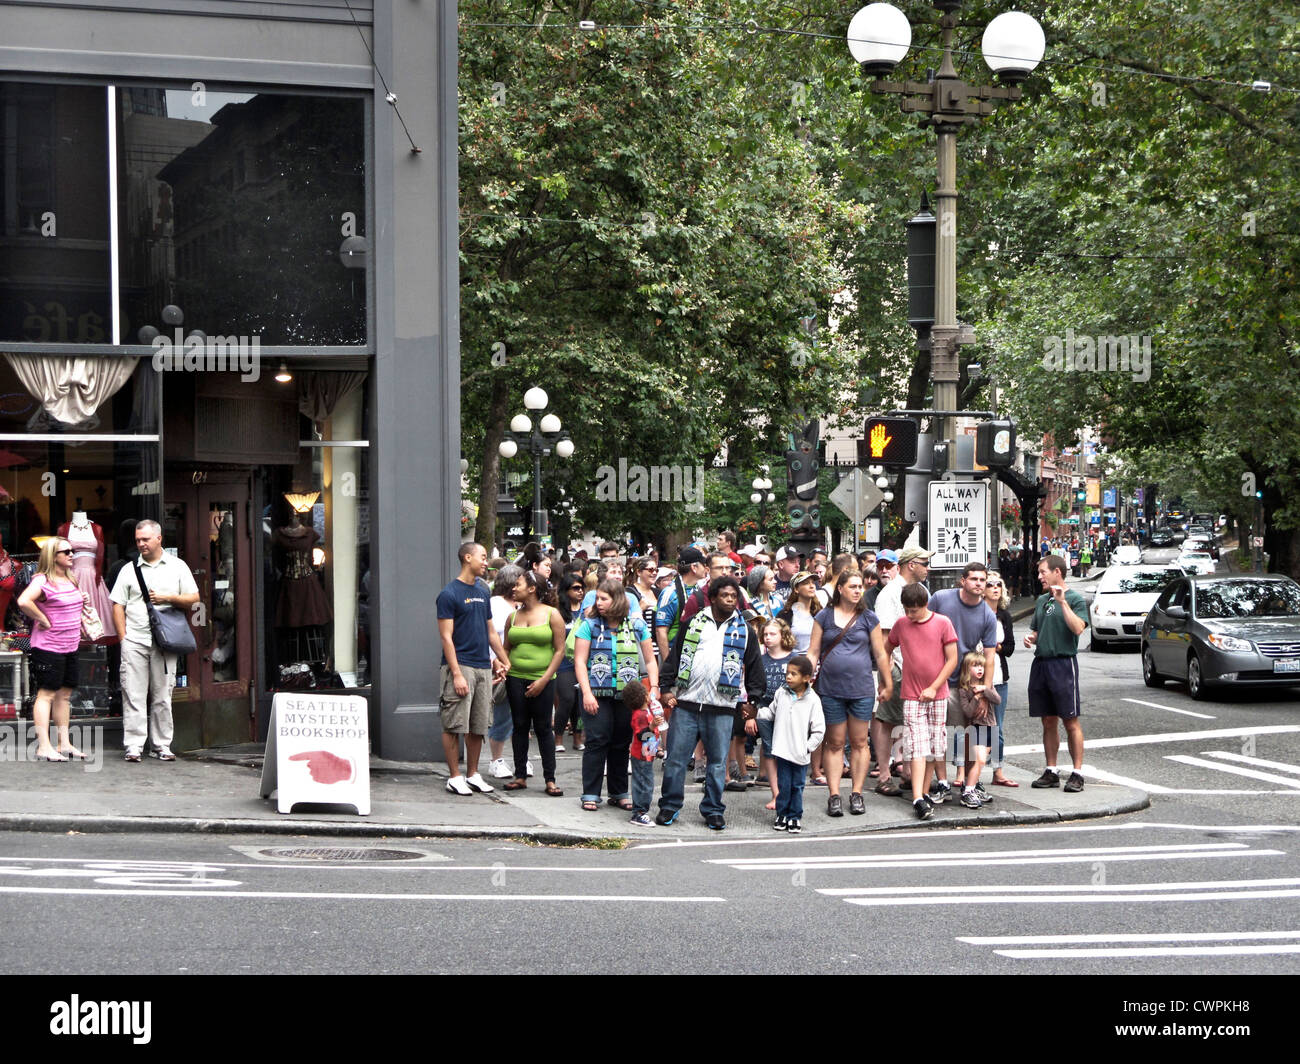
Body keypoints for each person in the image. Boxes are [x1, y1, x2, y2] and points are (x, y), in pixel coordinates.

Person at [655, 575, 764, 830]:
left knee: (717, 762)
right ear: (713, 598)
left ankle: (713, 809)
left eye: (734, 596)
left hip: (722, 707)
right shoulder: (693, 623)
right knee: (676, 761)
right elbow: (675, 655)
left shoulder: (745, 630)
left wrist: (754, 700)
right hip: (687, 704)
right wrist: (665, 687)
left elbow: (755, 666)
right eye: (725, 595)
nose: (730, 600)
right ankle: (669, 806)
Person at [109, 519, 200, 762]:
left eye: (145, 539)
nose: (141, 544)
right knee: (133, 694)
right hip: (135, 640)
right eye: (138, 540)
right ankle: (134, 745)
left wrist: (168, 597)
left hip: (165, 641)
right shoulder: (128, 569)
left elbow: (194, 598)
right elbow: (117, 605)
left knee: (162, 695)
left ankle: (161, 745)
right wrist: (123, 639)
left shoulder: (177, 566)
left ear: (159, 539)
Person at [807, 569, 893, 816]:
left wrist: (887, 683)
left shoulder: (868, 618)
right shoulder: (823, 616)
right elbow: (813, 652)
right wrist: (805, 678)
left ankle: (857, 793)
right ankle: (834, 794)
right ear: (840, 589)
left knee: (859, 742)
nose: (858, 590)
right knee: (833, 742)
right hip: (830, 688)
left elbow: (880, 654)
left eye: (860, 587)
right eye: (853, 586)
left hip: (862, 688)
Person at [574, 578, 658, 811]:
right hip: (596, 692)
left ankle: (618, 791)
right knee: (597, 740)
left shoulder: (636, 626)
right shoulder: (588, 625)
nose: (598, 603)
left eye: (603, 599)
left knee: (621, 742)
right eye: (597, 598)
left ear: (618, 600)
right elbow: (580, 662)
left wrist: (654, 687)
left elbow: (650, 660)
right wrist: (587, 693)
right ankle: (590, 792)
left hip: (627, 694)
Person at [436, 543, 512, 794]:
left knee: (479, 724)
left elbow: (490, 632)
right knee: (454, 723)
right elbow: (446, 638)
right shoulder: (449, 594)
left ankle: (473, 774)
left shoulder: (482, 590)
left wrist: (501, 659)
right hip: (460, 665)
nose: (486, 562)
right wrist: (456, 673)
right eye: (482, 557)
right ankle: (454, 776)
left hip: (482, 666)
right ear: (467, 558)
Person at [887, 582, 959, 820]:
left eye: (914, 610)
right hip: (912, 694)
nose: (910, 615)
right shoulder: (902, 625)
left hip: (937, 695)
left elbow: (952, 660)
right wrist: (886, 676)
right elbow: (886, 647)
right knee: (917, 745)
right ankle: (918, 796)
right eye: (906, 609)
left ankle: (925, 791)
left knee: (935, 745)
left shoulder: (942, 623)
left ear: (925, 605)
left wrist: (934, 687)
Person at [928, 562, 998, 796]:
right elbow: (923, 628)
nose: (979, 584)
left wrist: (984, 691)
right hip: (936, 680)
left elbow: (989, 656)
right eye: (974, 579)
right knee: (936, 734)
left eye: (983, 580)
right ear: (963, 581)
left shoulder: (987, 613)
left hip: (964, 685)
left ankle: (970, 783)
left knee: (968, 735)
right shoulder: (940, 598)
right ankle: (941, 783)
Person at [19, 537, 90, 761]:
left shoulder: (71, 578)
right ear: (53, 557)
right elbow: (23, 601)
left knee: (65, 694)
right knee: (46, 694)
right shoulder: (42, 581)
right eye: (66, 551)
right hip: (48, 646)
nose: (71, 554)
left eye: (72, 551)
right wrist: (43, 619)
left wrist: (82, 598)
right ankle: (43, 746)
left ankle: (64, 743)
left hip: (70, 645)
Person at [1024, 555, 1089, 792]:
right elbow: (1037, 630)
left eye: (1043, 572)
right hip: (1041, 664)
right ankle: (1051, 770)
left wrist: (1062, 602)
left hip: (1063, 664)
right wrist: (1032, 638)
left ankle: (1077, 773)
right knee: (1047, 720)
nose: (1039, 576)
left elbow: (1078, 628)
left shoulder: (1074, 599)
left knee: (1070, 720)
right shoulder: (1042, 600)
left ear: (1057, 573)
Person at [870, 545, 932, 792]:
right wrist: (888, 675)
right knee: (886, 720)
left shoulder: (919, 590)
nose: (927, 568)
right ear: (911, 565)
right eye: (923, 563)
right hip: (896, 665)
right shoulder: (890, 593)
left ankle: (907, 770)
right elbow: (883, 640)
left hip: (915, 667)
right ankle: (884, 775)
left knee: (909, 722)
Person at [503, 570, 566, 795]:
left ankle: (550, 779)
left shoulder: (552, 615)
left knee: (542, 728)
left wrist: (544, 679)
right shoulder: (513, 616)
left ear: (532, 589)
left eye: (518, 584)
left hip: (543, 679)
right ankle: (520, 776)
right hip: (515, 678)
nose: (514, 588)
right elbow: (506, 648)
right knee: (519, 726)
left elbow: (560, 650)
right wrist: (502, 666)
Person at [758, 655, 825, 834]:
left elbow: (819, 729)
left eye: (793, 674)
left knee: (797, 785)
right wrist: (755, 713)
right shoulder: (781, 693)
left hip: (800, 753)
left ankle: (795, 816)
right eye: (787, 673)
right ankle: (782, 814)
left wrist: (808, 747)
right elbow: (770, 713)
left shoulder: (813, 700)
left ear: (806, 678)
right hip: (782, 750)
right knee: (784, 784)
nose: (788, 677)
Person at [747, 617, 794, 811]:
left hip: (790, 713)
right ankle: (776, 794)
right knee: (769, 751)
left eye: (772, 634)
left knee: (788, 753)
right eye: (765, 634)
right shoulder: (759, 660)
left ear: (783, 635)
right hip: (765, 712)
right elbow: (751, 688)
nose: (767, 637)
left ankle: (788, 792)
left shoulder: (794, 659)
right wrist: (751, 715)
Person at [487, 565, 524, 779]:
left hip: (521, 668)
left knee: (520, 717)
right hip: (500, 667)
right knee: (502, 715)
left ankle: (522, 758)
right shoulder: (495, 605)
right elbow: (490, 636)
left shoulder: (525, 605)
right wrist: (495, 662)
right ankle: (496, 759)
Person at [984, 571, 1017, 787]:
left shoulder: (1004, 616)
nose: (995, 588)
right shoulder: (975, 612)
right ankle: (964, 773)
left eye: (998, 584)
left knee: (998, 727)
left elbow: (1010, 647)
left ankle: (998, 772)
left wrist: (997, 647)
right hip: (977, 677)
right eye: (990, 584)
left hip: (999, 677)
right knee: (971, 728)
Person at [956, 650, 1000, 808]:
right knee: (979, 759)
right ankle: (968, 790)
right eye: (975, 666)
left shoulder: (987, 685)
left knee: (981, 762)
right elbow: (967, 711)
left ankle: (972, 788)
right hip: (976, 727)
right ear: (967, 669)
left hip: (991, 726)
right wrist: (975, 698)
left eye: (982, 665)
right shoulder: (964, 689)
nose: (980, 669)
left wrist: (985, 690)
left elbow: (997, 700)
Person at [653, 546, 707, 662]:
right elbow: (661, 631)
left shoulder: (701, 589)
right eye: (703, 564)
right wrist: (669, 665)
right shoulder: (670, 593)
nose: (706, 568)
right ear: (694, 567)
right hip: (676, 654)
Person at [553, 573, 586, 753]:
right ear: (566, 590)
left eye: (582, 588)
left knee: (580, 702)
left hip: (583, 662)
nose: (580, 591)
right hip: (563, 662)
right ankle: (558, 737)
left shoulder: (587, 610)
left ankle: (578, 736)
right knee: (566, 699)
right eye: (575, 588)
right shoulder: (557, 611)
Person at [626, 680, 664, 826]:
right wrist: (652, 726)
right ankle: (639, 812)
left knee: (645, 781)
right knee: (644, 783)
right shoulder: (640, 715)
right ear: (643, 697)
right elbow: (641, 735)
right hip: (642, 755)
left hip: (647, 754)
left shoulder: (645, 711)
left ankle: (640, 809)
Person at [776, 570, 818, 654]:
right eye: (806, 583)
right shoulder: (785, 615)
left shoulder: (819, 613)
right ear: (796, 589)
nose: (812, 586)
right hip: (793, 662)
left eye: (813, 583)